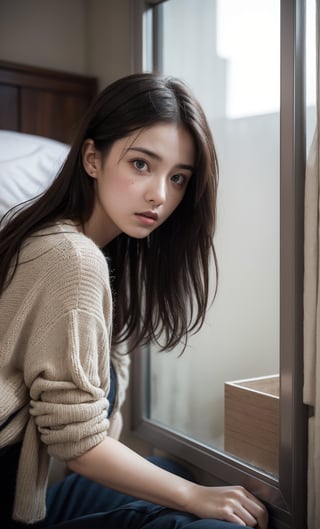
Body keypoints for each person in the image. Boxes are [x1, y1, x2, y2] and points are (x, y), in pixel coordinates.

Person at [0, 72, 268, 529]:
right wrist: (196, 498)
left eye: (178, 177)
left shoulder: (100, 253)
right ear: (92, 159)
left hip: (31, 496)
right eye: (142, 164)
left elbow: (98, 432)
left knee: (170, 471)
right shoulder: (70, 256)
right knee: (208, 518)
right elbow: (81, 446)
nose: (160, 195)